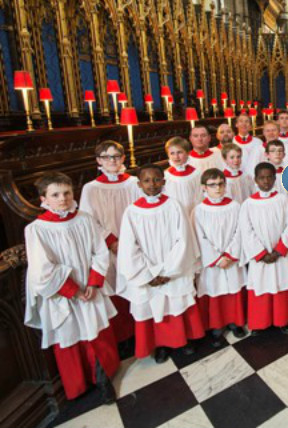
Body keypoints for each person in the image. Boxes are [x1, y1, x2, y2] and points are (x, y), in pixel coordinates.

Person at [25, 172, 119, 403]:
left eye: (66, 193)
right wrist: (73, 290)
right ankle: (78, 385)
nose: (63, 199)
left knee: (96, 331)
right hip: (62, 294)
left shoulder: (84, 219)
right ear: (43, 199)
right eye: (55, 194)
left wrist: (94, 282)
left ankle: (104, 377)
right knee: (70, 336)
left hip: (90, 286)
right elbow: (42, 269)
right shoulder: (36, 229)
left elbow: (99, 250)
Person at [118, 164, 204, 363]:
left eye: (156, 179)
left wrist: (169, 271)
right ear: (139, 184)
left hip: (173, 269)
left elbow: (183, 240)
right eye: (147, 181)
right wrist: (148, 274)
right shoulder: (132, 212)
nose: (152, 184)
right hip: (147, 272)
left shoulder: (174, 205)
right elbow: (130, 248)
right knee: (154, 306)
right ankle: (161, 344)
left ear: (164, 182)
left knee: (177, 303)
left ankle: (183, 340)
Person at [79, 141, 139, 344]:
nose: (112, 161)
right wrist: (111, 241)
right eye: (106, 157)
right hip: (109, 246)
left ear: (123, 158)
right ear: (99, 161)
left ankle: (141, 329)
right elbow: (88, 219)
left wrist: (133, 241)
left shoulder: (134, 183)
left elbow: (142, 213)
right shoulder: (91, 188)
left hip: (135, 243)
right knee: (114, 285)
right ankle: (124, 336)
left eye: (116, 156)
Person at [237, 162, 288, 333]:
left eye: (269, 177)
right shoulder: (248, 204)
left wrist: (279, 250)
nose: (266, 181)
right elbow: (246, 230)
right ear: (255, 180)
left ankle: (282, 320)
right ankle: (259, 322)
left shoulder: (283, 200)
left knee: (280, 284)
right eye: (262, 178)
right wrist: (261, 253)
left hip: (279, 254)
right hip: (260, 256)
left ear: (275, 178)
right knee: (260, 287)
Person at [193, 169, 248, 347]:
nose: (217, 188)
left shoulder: (235, 206)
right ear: (204, 187)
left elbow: (240, 231)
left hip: (231, 258)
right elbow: (199, 237)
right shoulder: (199, 211)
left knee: (233, 289)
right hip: (213, 261)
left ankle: (235, 322)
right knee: (215, 290)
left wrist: (230, 255)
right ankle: (217, 325)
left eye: (220, 184)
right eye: (212, 185)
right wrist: (217, 258)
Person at [164, 137, 202, 216]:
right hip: (174, 213)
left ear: (187, 153)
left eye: (179, 152)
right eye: (172, 153)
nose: (176, 156)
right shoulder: (166, 175)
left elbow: (200, 195)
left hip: (193, 212)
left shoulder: (196, 174)